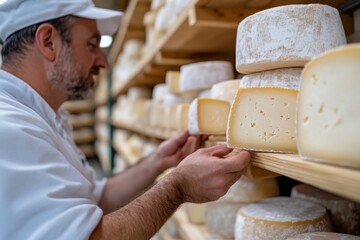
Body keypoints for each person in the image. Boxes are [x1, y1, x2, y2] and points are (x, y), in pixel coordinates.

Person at [0, 0, 251, 239]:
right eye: (92, 44)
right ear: (48, 42)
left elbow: (97, 197)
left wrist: (157, 162)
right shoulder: (9, 129)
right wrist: (178, 187)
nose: (103, 61)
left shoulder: (47, 116)